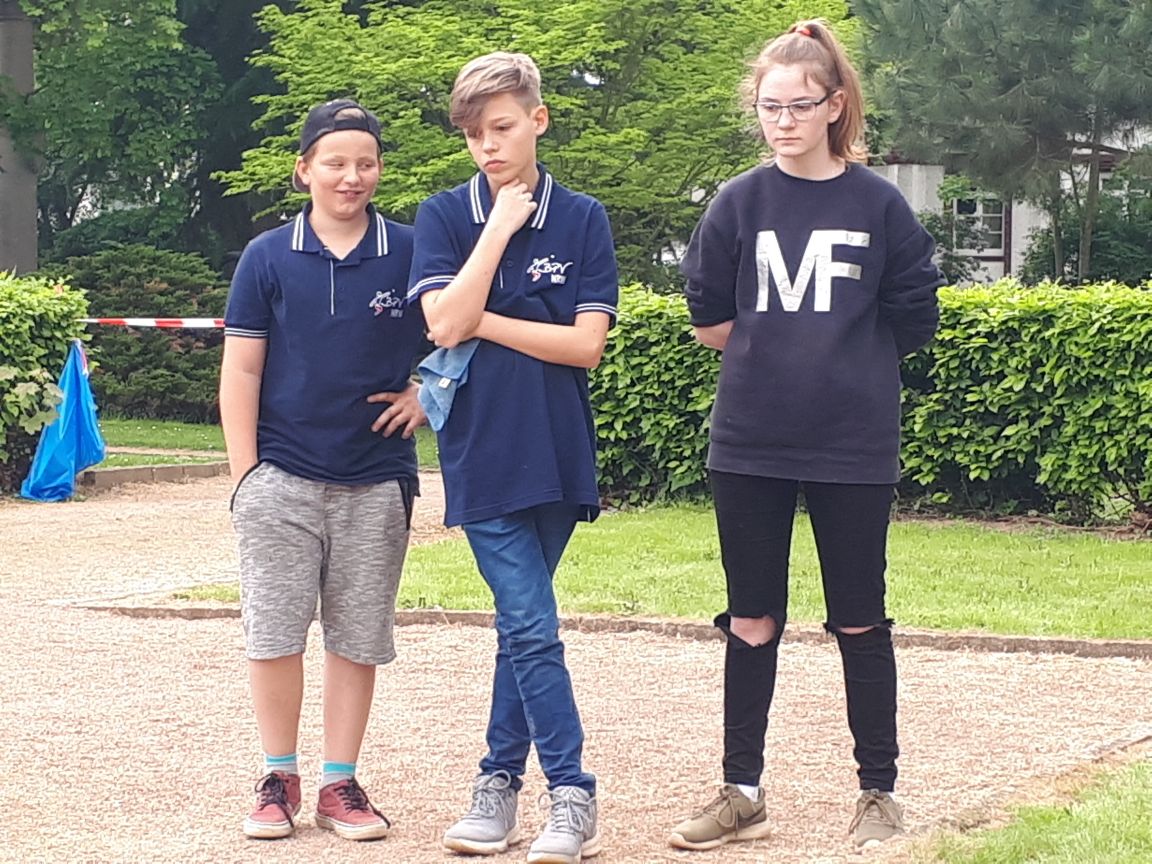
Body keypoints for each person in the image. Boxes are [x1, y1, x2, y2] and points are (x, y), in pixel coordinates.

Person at [667, 19, 943, 853]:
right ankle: (741, 792)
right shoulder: (738, 202)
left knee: (859, 619)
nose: (782, 121)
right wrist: (776, 350)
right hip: (750, 442)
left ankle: (878, 794)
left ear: (834, 106)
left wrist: (843, 362)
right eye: (769, 106)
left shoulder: (878, 203)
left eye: (798, 105)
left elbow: (913, 315)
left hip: (853, 445)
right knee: (752, 617)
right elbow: (708, 316)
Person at [407, 51, 618, 864]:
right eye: (473, 135)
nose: (487, 146)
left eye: (500, 128)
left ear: (538, 119)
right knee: (531, 623)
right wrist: (497, 228)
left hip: (559, 451)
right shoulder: (444, 215)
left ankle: (496, 784)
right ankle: (572, 795)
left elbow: (585, 346)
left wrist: (483, 320)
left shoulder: (584, 218)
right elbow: (439, 324)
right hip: (481, 450)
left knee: (519, 630)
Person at [219, 98, 426, 842]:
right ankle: (278, 777)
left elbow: (460, 329)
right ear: (305, 169)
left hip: (377, 476)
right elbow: (241, 370)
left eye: (365, 163)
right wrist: (246, 479)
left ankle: (341, 783)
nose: (351, 176)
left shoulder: (412, 250)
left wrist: (428, 392)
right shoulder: (267, 255)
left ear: (379, 170)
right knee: (274, 632)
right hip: (280, 477)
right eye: (335, 162)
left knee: (358, 636)